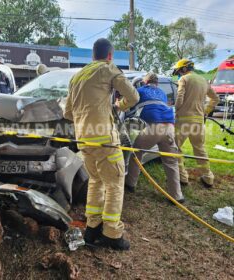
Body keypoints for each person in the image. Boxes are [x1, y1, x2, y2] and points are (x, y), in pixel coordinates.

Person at [63, 38, 139, 250]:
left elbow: (67, 112)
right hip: (105, 139)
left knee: (96, 181)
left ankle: (93, 227)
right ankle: (112, 234)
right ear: (110, 55)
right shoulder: (108, 69)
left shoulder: (77, 76)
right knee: (114, 183)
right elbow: (133, 96)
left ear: (92, 55)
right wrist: (119, 105)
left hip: (84, 139)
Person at [125, 73, 185, 203]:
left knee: (136, 153)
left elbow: (129, 104)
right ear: (157, 83)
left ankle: (130, 184)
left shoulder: (139, 90)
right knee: (171, 161)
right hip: (169, 127)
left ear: (145, 82)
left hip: (154, 127)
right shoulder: (162, 93)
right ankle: (177, 196)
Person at [172, 59, 219, 187]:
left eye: (179, 72)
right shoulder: (204, 80)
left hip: (183, 121)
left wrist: (175, 109)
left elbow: (180, 97)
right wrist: (205, 111)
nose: (179, 75)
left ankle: (182, 177)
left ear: (183, 69)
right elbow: (215, 98)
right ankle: (208, 177)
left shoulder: (184, 79)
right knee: (200, 149)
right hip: (198, 121)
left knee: (176, 148)